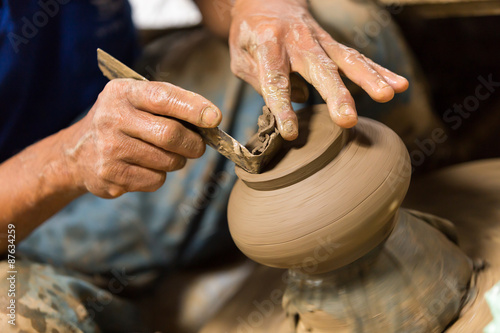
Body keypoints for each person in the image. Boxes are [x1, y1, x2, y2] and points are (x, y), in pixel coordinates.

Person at [0, 0, 432, 331]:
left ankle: (421, 214)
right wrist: (66, 161)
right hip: (19, 228)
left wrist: (254, 10)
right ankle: (112, 304)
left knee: (333, 23)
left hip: (127, 106)